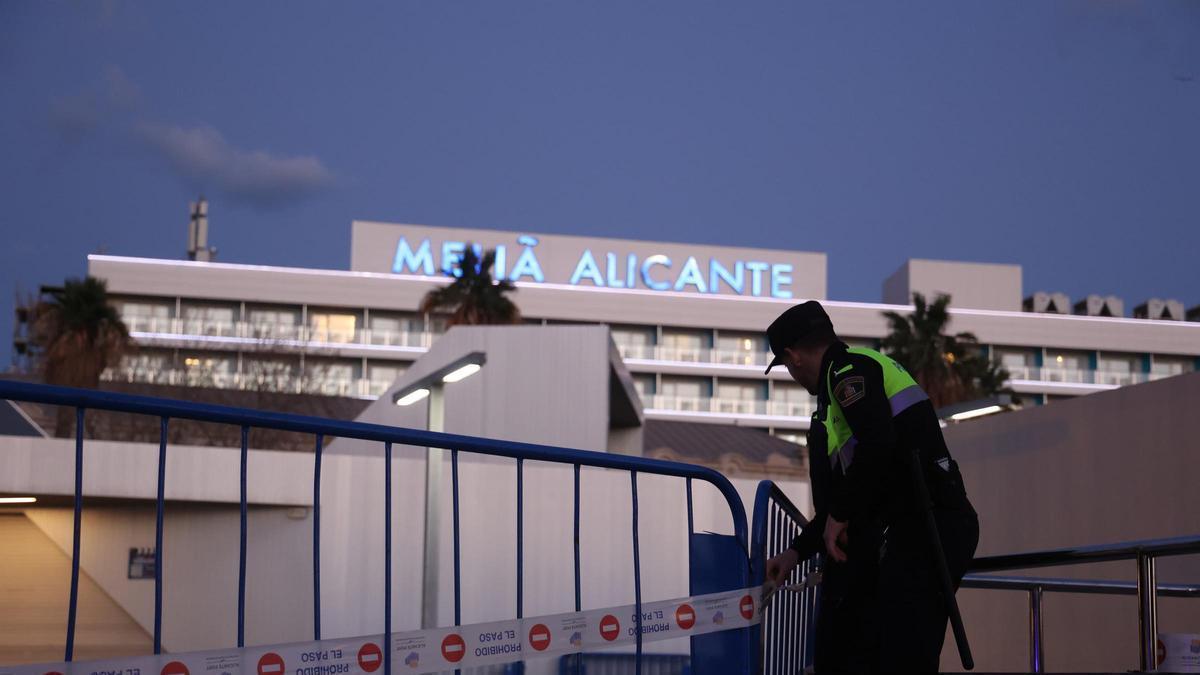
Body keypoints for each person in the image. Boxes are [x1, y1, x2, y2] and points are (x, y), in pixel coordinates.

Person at [762, 300, 979, 673]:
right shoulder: (834, 403)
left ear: (792, 356)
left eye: (786, 367)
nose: (793, 376)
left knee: (903, 656)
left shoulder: (849, 371)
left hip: (928, 526)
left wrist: (840, 515)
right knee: (877, 651)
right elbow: (844, 499)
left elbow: (877, 444)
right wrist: (796, 553)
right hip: (913, 530)